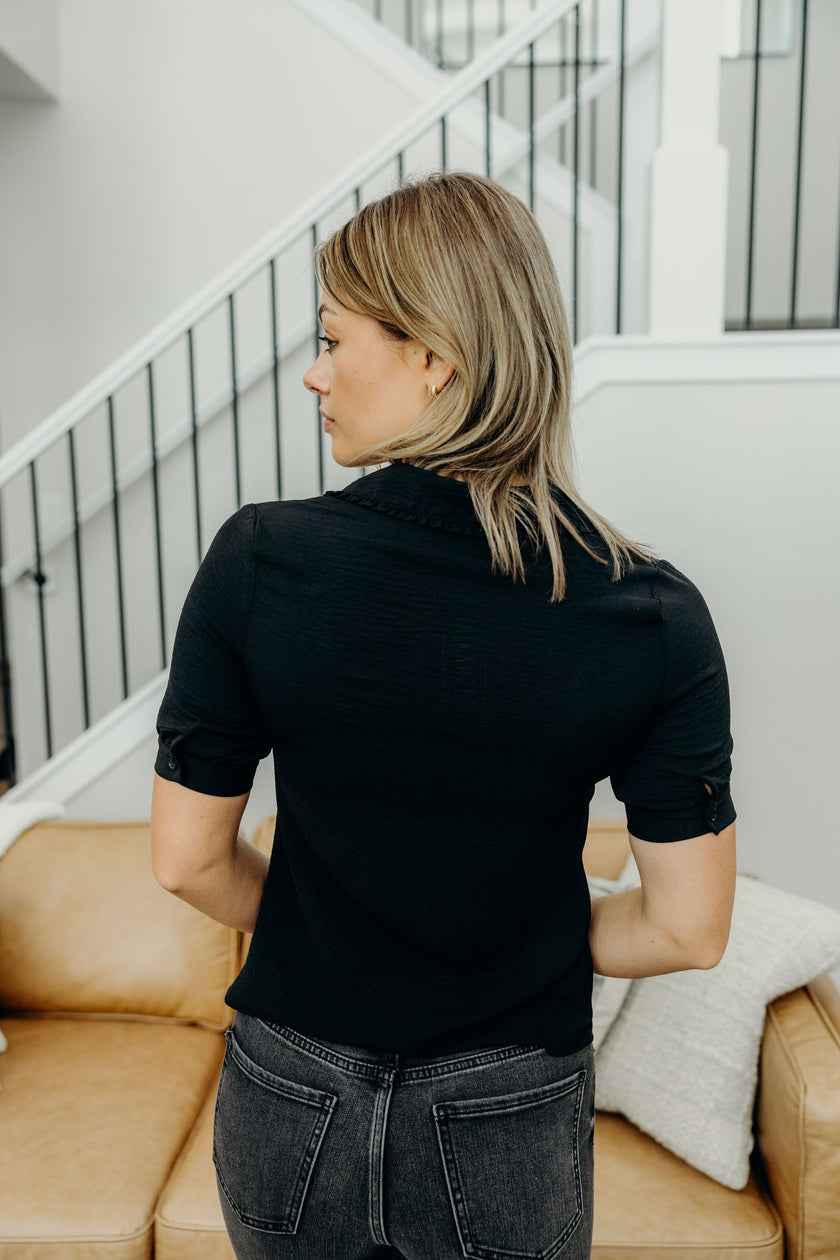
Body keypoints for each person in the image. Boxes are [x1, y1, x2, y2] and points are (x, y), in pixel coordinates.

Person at [150, 171, 737, 1260]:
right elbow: (687, 930)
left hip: (292, 1095)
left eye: (333, 339)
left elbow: (188, 864)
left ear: (435, 356)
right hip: (506, 1107)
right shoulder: (652, 615)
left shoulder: (259, 560)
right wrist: (539, 940)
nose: (315, 375)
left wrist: (330, 930)